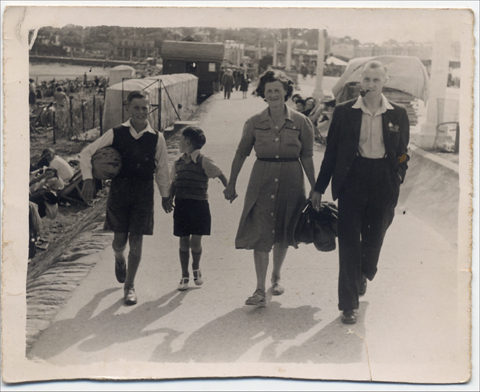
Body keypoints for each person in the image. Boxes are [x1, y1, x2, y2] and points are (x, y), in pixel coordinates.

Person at [311, 61, 410, 324]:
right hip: (352, 179)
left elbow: (402, 153)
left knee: (374, 239)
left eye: (376, 80)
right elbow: (331, 153)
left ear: (384, 82)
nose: (371, 85)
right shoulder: (345, 112)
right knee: (348, 242)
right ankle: (348, 304)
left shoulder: (398, 114)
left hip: (383, 181)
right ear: (360, 82)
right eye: (366, 79)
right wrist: (319, 188)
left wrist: (397, 177)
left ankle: (364, 272)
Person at [224, 70, 316, 307]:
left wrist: (316, 188)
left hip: (291, 180)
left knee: (284, 230)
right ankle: (259, 289)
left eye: (277, 90)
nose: (273, 94)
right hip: (261, 181)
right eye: (269, 91)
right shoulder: (254, 122)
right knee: (261, 233)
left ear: (286, 91)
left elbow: (306, 156)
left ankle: (276, 276)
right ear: (263, 94)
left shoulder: (301, 122)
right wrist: (232, 183)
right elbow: (241, 153)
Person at [79, 91, 171, 306]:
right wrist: (88, 179)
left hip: (143, 193)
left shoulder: (156, 137)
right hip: (119, 192)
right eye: (136, 107)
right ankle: (119, 259)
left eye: (144, 107)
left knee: (137, 241)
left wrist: (165, 196)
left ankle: (129, 286)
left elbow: (163, 169)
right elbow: (86, 153)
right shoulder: (116, 133)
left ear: (149, 109)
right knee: (120, 240)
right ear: (128, 108)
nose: (141, 111)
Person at [167, 127, 228, 291]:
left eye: (180, 139)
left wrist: (229, 189)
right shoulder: (178, 162)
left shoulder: (203, 160)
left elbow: (219, 174)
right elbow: (174, 183)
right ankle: (184, 275)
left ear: (187, 142)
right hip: (182, 206)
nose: (179, 142)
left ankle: (196, 268)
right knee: (183, 240)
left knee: (195, 243)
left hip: (199, 206)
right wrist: (168, 199)